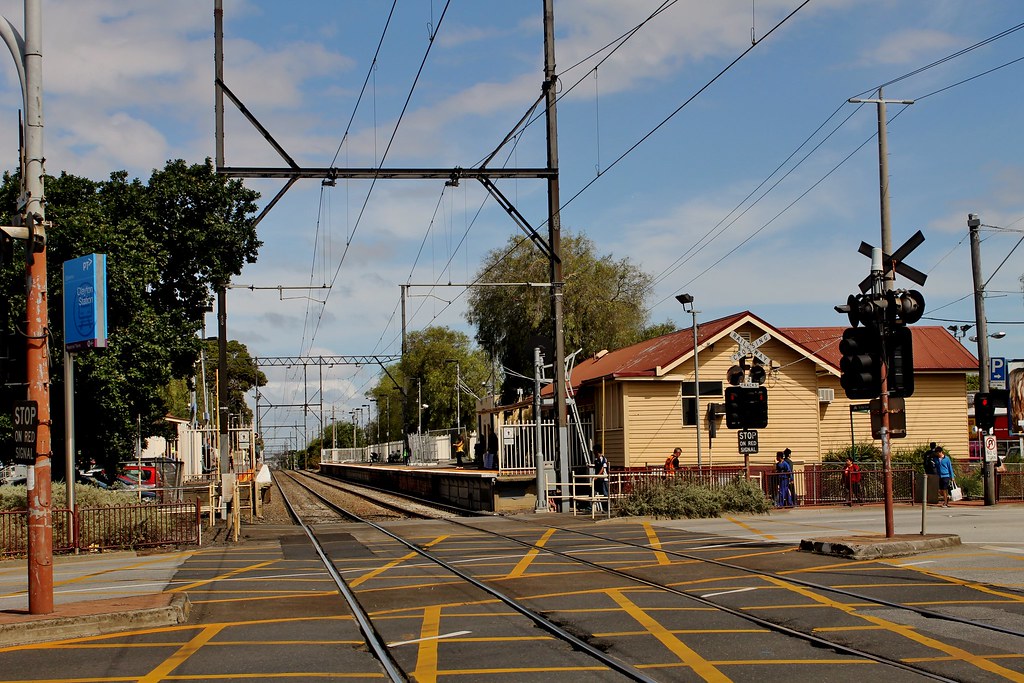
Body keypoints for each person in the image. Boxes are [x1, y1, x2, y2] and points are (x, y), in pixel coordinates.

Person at [592, 448, 608, 512]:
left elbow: (603, 468)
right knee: (597, 492)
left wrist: (597, 476)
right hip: (599, 479)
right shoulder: (596, 460)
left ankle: (607, 508)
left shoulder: (604, 459)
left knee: (605, 493)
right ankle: (598, 508)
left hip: (604, 479)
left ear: (598, 453)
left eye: (596, 453)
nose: (595, 455)